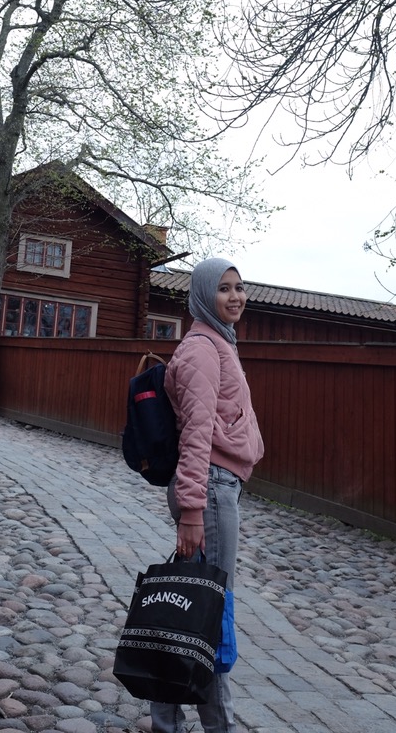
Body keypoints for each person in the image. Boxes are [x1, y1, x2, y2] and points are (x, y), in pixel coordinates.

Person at [151, 257, 264, 733]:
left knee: (195, 608)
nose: (235, 296)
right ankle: (218, 726)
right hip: (210, 489)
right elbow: (196, 435)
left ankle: (167, 719)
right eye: (223, 288)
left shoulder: (220, 342)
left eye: (239, 287)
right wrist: (193, 510)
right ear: (202, 295)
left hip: (218, 487)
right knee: (211, 613)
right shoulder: (203, 349)